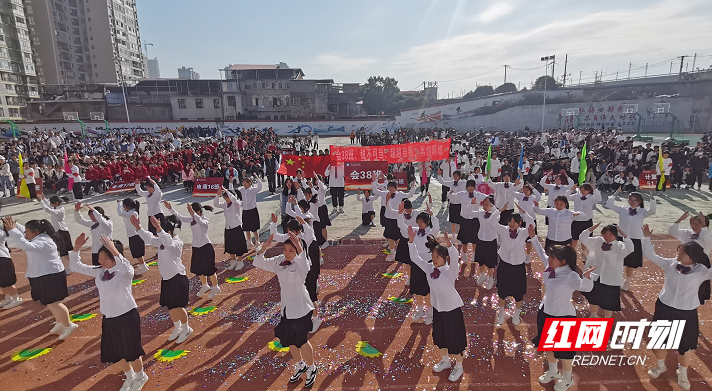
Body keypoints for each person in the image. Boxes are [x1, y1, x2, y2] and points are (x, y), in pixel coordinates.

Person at [69, 234, 149, 391]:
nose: (101, 262)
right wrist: (76, 248)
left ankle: (141, 376)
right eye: (99, 258)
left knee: (131, 350)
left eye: (105, 258)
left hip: (127, 316)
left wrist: (114, 249)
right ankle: (130, 375)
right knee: (116, 351)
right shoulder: (100, 272)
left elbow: (126, 266)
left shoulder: (125, 272)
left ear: (114, 257)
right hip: (109, 318)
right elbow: (75, 266)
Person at [642, 224, 712, 391]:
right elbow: (651, 254)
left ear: (692, 257)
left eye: (681, 252)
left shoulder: (702, 271)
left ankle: (683, 372)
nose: (677, 253)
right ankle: (660, 366)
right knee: (659, 340)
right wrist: (646, 237)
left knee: (685, 345)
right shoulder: (671, 264)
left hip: (686, 312)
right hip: (664, 308)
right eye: (678, 250)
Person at [529, 225, 596, 391]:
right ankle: (553, 371)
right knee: (548, 346)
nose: (549, 259)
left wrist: (586, 278)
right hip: (545, 312)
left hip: (562, 317)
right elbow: (541, 254)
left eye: (553, 258)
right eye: (550, 257)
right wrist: (533, 238)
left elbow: (585, 288)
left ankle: (568, 377)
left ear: (563, 261)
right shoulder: (551, 267)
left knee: (565, 352)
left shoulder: (570, 275)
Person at [253, 233, 318, 388]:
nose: (287, 253)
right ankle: (300, 364)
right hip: (287, 309)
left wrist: (300, 248)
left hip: (301, 308)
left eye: (291, 250)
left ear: (297, 251)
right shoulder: (279, 261)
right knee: (289, 340)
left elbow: (306, 265)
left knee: (302, 340)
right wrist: (266, 245)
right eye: (285, 249)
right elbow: (259, 262)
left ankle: (311, 368)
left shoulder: (301, 264)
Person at [3, 217, 78, 340]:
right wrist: (14, 225)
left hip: (50, 276)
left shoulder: (44, 241)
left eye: (27, 231)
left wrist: (12, 230)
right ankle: (60, 322)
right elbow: (24, 233)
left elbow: (25, 245)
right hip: (42, 275)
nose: (25, 234)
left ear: (36, 232)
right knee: (48, 302)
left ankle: (68, 325)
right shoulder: (37, 236)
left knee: (54, 302)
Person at [407, 228, 465, 382]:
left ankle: (459, 366)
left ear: (445, 258)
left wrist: (449, 244)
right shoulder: (429, 268)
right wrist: (411, 241)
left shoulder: (450, 271)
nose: (434, 259)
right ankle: (445, 361)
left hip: (452, 311)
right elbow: (415, 258)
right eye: (433, 256)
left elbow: (455, 256)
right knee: (440, 337)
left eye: (438, 257)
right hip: (438, 310)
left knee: (455, 339)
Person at [132, 215, 193, 344]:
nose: (158, 235)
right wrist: (138, 228)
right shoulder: (161, 241)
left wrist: (159, 228)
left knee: (178, 306)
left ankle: (186, 329)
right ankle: (177, 328)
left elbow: (168, 242)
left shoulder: (176, 243)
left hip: (177, 278)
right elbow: (149, 238)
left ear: (168, 232)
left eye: (161, 232)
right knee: (171, 307)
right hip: (167, 279)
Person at [270, 212, 322, 332]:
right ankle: (304, 317)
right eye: (288, 232)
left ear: (298, 231)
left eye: (292, 232)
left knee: (311, 297)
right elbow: (275, 235)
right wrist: (274, 223)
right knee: (301, 296)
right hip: (295, 273)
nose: (290, 234)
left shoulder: (305, 238)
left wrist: (304, 222)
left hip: (306, 272)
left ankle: (316, 318)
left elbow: (311, 233)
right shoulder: (288, 238)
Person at [165, 201, 220, 299]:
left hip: (205, 247)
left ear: (198, 211)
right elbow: (180, 217)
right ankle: (205, 285)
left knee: (209, 269)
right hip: (196, 247)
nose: (191, 214)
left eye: (193, 212)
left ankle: (215, 287)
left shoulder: (205, 220)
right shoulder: (192, 219)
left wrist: (193, 214)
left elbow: (200, 222)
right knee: (199, 269)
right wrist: (170, 208)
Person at [606, 189, 656, 291]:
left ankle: (627, 281)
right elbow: (609, 205)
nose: (632, 202)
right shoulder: (623, 209)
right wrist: (615, 193)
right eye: (630, 200)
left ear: (640, 202)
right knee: (618, 260)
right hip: (621, 238)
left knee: (630, 262)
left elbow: (653, 210)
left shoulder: (642, 212)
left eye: (635, 200)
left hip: (635, 239)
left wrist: (652, 198)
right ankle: (618, 279)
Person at [579, 224, 633, 318]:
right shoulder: (597, 240)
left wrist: (624, 235)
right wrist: (590, 229)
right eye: (605, 234)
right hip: (596, 275)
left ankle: (607, 317)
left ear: (615, 236)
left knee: (609, 300)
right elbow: (582, 238)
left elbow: (630, 248)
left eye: (611, 235)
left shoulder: (620, 246)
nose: (607, 237)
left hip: (611, 278)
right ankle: (593, 314)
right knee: (593, 297)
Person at [493, 204, 535, 326]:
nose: (511, 223)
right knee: (502, 291)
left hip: (518, 267)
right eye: (510, 221)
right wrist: (499, 210)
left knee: (518, 292)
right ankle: (501, 313)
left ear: (520, 223)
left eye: (514, 221)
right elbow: (492, 221)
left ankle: (516, 314)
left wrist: (524, 211)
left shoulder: (523, 233)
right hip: (504, 266)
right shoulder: (503, 230)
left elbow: (532, 224)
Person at [462, 195, 505, 289]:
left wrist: (496, 209)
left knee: (490, 262)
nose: (484, 206)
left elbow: (491, 221)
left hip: (491, 241)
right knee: (481, 260)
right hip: (481, 239)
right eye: (484, 204)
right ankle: (482, 275)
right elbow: (468, 213)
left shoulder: (496, 213)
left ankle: (490, 278)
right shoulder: (481, 213)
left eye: (487, 204)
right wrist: (471, 204)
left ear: (492, 205)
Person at [214, 186, 248, 270]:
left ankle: (240, 262)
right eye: (225, 197)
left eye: (227, 197)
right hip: (228, 227)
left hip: (236, 227)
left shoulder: (237, 203)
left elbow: (233, 199)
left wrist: (226, 190)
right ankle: (233, 261)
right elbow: (216, 204)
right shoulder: (225, 205)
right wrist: (218, 195)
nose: (226, 199)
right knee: (230, 245)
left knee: (238, 245)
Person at [38, 195, 72, 273]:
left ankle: (68, 268)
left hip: (62, 231)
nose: (51, 204)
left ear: (56, 203)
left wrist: (41, 202)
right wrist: (44, 199)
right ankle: (68, 267)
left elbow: (48, 209)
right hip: (59, 231)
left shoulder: (59, 210)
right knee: (62, 250)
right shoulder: (57, 207)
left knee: (64, 250)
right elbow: (50, 206)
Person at [116, 198, 149, 275]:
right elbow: (122, 212)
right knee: (137, 252)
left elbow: (120, 213)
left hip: (135, 235)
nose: (123, 207)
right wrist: (120, 204)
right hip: (134, 234)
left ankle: (143, 266)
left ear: (128, 206)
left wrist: (119, 203)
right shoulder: (130, 212)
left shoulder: (132, 213)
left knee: (137, 252)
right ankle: (143, 265)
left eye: (124, 206)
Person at [568, 183, 601, 250]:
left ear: (588, 190)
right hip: (576, 221)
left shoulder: (591, 197)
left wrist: (594, 189)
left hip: (587, 221)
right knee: (574, 239)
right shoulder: (577, 196)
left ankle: (584, 255)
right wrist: (571, 190)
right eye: (580, 190)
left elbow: (599, 199)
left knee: (585, 240)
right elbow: (567, 197)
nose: (581, 192)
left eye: (583, 190)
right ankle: (571, 254)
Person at [0, 214, 21, 309]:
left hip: (2, 257)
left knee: (7, 281)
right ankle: (9, 297)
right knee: (1, 281)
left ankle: (16, 298)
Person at [238, 174, 263, 249]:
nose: (244, 185)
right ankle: (249, 242)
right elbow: (234, 193)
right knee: (246, 228)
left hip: (252, 210)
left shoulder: (253, 190)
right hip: (245, 211)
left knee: (254, 228)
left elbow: (260, 187)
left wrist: (257, 178)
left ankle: (257, 241)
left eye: (245, 183)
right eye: (243, 183)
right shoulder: (241, 190)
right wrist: (230, 183)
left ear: (249, 183)